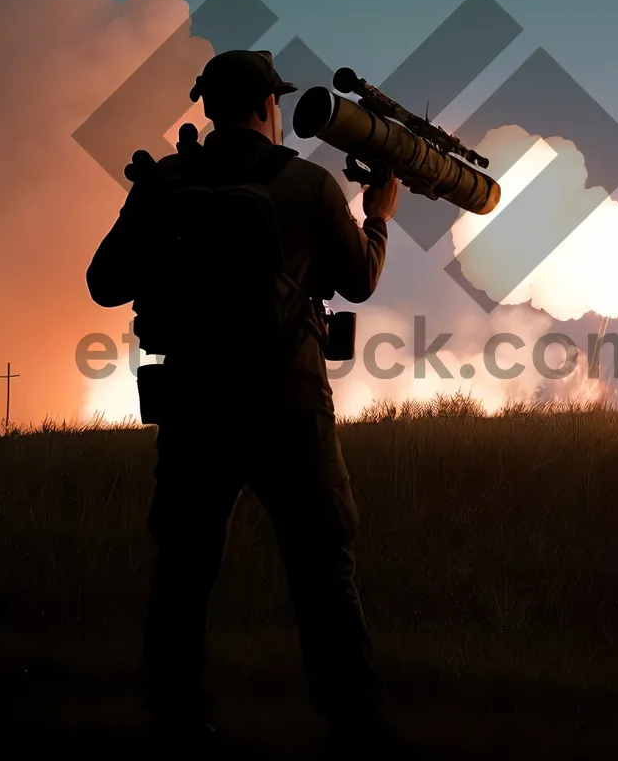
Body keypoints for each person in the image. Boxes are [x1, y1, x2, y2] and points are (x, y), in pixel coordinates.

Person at [86, 49, 400, 754]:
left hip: (194, 405)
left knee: (185, 568)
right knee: (324, 566)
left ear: (208, 108)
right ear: (268, 107)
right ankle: (359, 732)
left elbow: (104, 283)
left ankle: (175, 724)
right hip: (289, 403)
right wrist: (378, 214)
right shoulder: (310, 185)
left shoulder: (168, 182)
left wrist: (151, 216)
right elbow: (358, 283)